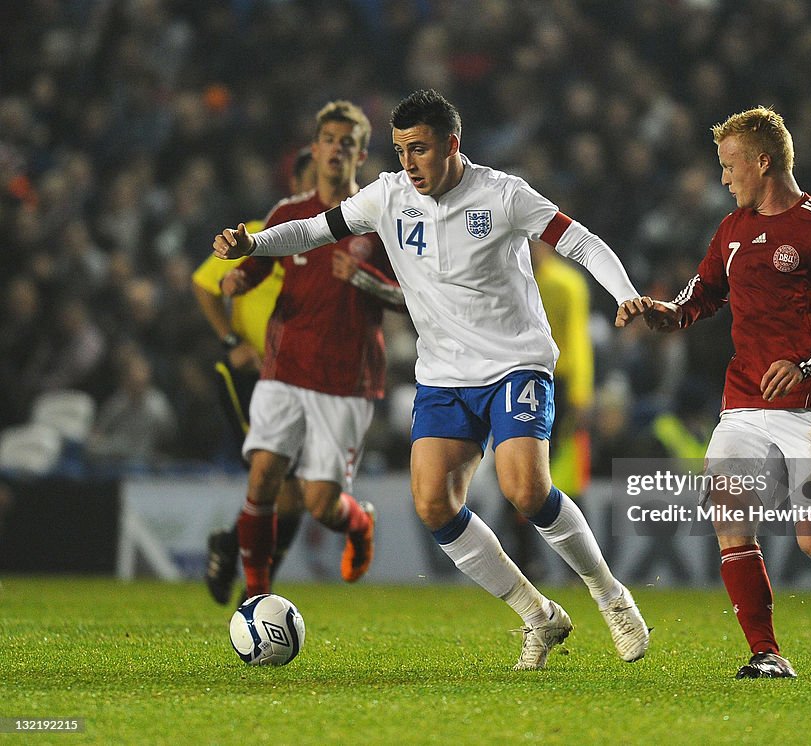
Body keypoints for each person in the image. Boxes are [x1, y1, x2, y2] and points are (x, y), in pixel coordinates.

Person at [214, 88, 651, 671]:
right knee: (434, 504)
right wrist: (254, 243)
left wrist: (625, 295)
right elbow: (316, 230)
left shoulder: (502, 195)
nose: (408, 163)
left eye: (419, 150)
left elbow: (581, 242)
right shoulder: (388, 197)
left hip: (515, 362)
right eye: (399, 151)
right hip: (444, 375)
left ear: (452, 144)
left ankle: (610, 596)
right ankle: (538, 616)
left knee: (525, 489)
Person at [621, 106, 811, 678]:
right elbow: (700, 296)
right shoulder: (732, 230)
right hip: (746, 402)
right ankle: (765, 653)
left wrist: (807, 363)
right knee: (729, 508)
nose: (723, 179)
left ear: (763, 161)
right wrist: (663, 314)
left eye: (730, 166)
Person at [217, 100, 403, 601]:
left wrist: (365, 279)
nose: (337, 149)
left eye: (349, 142)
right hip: (284, 367)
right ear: (316, 149)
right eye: (329, 139)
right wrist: (237, 276)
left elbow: (416, 297)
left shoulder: (380, 221)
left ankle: (359, 522)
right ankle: (255, 598)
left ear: (362, 154)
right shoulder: (289, 214)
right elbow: (254, 268)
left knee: (322, 505)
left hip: (347, 377)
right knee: (264, 482)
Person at [191, 147, 316, 605]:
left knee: (297, 495)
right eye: (309, 182)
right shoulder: (261, 235)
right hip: (252, 377)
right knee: (276, 480)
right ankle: (257, 589)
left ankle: (233, 553)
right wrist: (230, 341)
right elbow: (205, 285)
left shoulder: (332, 243)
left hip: (303, 380)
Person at [503, 240, 595, 581]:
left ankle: (577, 564)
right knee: (522, 474)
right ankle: (528, 560)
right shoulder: (513, 278)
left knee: (562, 476)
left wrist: (582, 392)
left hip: (563, 384)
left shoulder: (566, 283)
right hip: (519, 379)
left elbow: (577, 338)